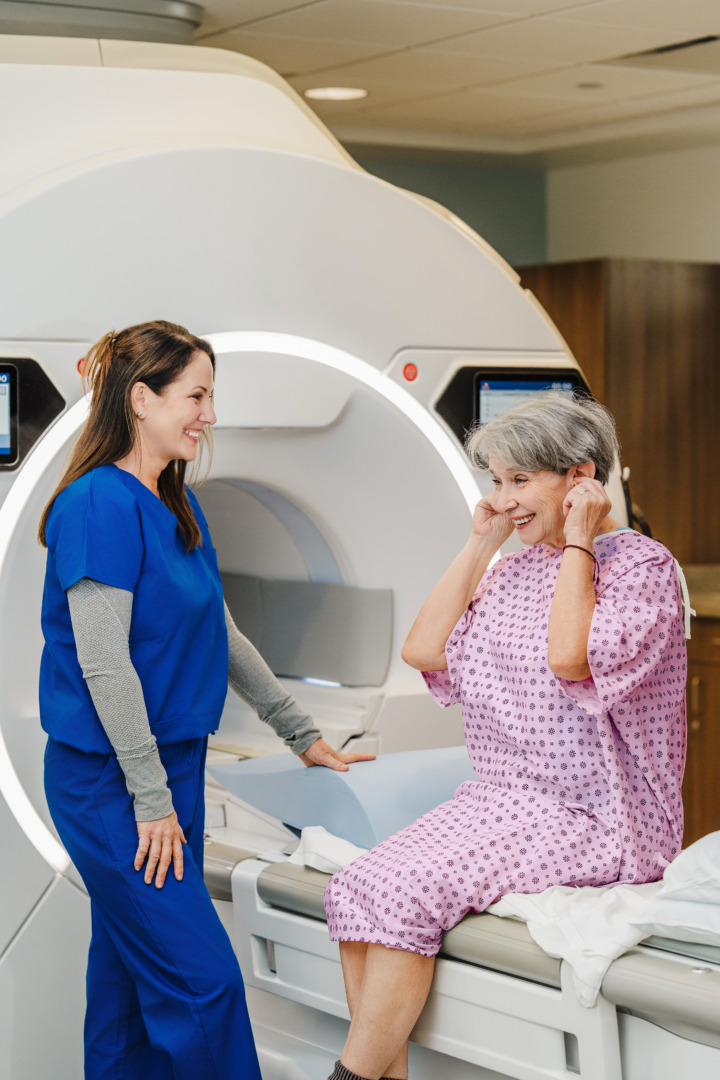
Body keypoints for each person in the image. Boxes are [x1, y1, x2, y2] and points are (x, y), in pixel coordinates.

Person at [38, 319, 373, 1080]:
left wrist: (303, 735)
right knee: (204, 986)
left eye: (210, 397)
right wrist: (150, 799)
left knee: (124, 984)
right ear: (141, 398)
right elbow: (105, 666)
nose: (209, 415)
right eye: (196, 395)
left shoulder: (176, 507)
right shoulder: (99, 505)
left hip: (169, 772)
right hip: (113, 786)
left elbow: (221, 637)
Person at [323, 393, 687, 1080]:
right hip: (501, 800)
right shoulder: (510, 568)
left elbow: (570, 656)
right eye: (496, 480)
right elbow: (425, 650)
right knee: (355, 885)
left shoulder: (640, 568)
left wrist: (579, 538)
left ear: (579, 479)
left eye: (520, 480)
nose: (504, 497)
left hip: (597, 818)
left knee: (406, 891)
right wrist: (480, 542)